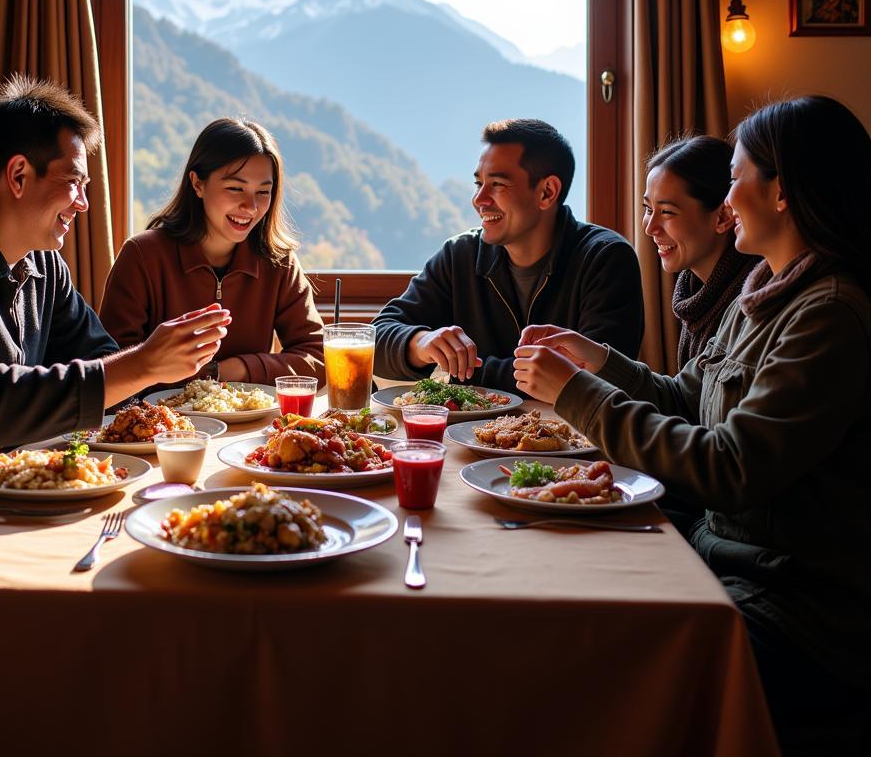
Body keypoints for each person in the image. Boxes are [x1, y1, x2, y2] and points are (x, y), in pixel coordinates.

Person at [512, 95, 871, 752]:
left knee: (587, 667)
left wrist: (579, 396)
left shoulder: (830, 315)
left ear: (782, 192)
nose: (729, 200)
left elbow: (731, 469)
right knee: (550, 563)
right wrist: (600, 363)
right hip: (721, 555)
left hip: (795, 612)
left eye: (735, 178)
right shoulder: (766, 289)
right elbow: (686, 400)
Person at [0, 76, 231, 536]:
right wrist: (144, 364)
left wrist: (179, 381)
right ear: (18, 175)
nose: (85, 204)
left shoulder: (43, 266)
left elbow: (101, 362)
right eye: (74, 182)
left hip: (2, 500)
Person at [373, 118, 644, 393]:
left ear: (547, 192)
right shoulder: (460, 255)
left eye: (497, 184)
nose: (479, 199)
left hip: (571, 435)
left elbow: (595, 381)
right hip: (466, 436)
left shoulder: (605, 259)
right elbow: (376, 337)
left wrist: (456, 373)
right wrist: (420, 343)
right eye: (478, 183)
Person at [99, 117, 324, 386]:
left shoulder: (279, 262)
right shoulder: (142, 255)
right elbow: (110, 369)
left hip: (251, 426)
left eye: (263, 192)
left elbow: (318, 360)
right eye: (235, 188)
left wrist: (230, 370)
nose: (250, 206)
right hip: (163, 425)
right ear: (197, 183)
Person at [643, 134, 759, 369]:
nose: (649, 227)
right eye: (647, 208)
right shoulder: (694, 292)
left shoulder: (749, 303)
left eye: (667, 212)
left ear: (724, 216)